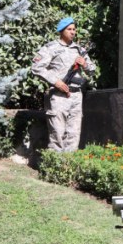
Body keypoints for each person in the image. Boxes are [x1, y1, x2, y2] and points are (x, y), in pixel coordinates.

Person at [32, 17, 96, 152]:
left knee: (73, 134)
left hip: (76, 96)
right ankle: (54, 168)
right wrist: (56, 82)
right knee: (57, 134)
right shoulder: (51, 48)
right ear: (61, 31)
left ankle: (68, 168)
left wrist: (85, 64)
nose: (73, 32)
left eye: (74, 29)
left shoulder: (79, 50)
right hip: (59, 96)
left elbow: (92, 71)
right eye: (69, 29)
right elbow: (37, 67)